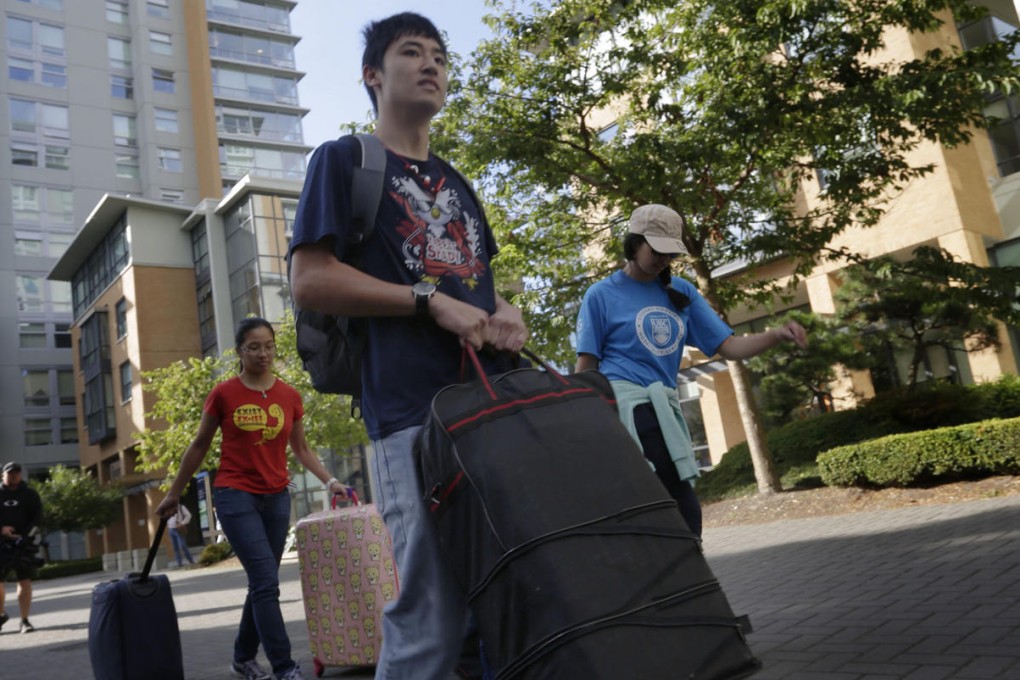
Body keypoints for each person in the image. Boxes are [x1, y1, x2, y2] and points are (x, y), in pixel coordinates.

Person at [288, 12, 528, 680]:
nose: (431, 65)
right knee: (429, 621)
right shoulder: (346, 161)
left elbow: (478, 284)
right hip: (411, 420)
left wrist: (505, 311)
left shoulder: (456, 183)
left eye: (440, 57)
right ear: (372, 75)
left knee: (503, 605)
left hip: (493, 408)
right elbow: (310, 279)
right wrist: (427, 300)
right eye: (411, 52)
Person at [575, 204, 808, 536]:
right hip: (626, 412)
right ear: (634, 243)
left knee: (679, 509)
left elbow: (729, 347)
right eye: (657, 250)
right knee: (672, 506)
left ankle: (681, 573)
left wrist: (776, 335)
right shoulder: (600, 294)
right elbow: (586, 369)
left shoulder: (680, 291)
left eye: (671, 254)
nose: (663, 260)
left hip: (665, 411)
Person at [155, 317, 349, 680]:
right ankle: (284, 666)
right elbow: (199, 445)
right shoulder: (224, 393)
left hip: (276, 496)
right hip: (234, 494)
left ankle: (243, 658)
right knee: (265, 582)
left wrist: (331, 480)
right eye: (254, 347)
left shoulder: (289, 395)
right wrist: (173, 492)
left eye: (269, 346)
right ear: (241, 352)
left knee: (263, 582)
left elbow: (302, 448)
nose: (263, 353)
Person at [0, 461, 43, 634]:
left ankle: (24, 621)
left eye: (16, 473)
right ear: (3, 475)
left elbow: (38, 518)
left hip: (23, 543)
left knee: (24, 581)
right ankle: (1, 615)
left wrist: (24, 536)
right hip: (0, 543)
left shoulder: (30, 495)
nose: (14, 476)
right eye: (10, 473)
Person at [166, 504, 195, 568]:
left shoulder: (180, 507)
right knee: (175, 547)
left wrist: (182, 523)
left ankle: (190, 560)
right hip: (171, 529)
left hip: (179, 529)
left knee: (182, 545)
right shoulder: (167, 507)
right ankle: (179, 562)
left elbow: (188, 515)